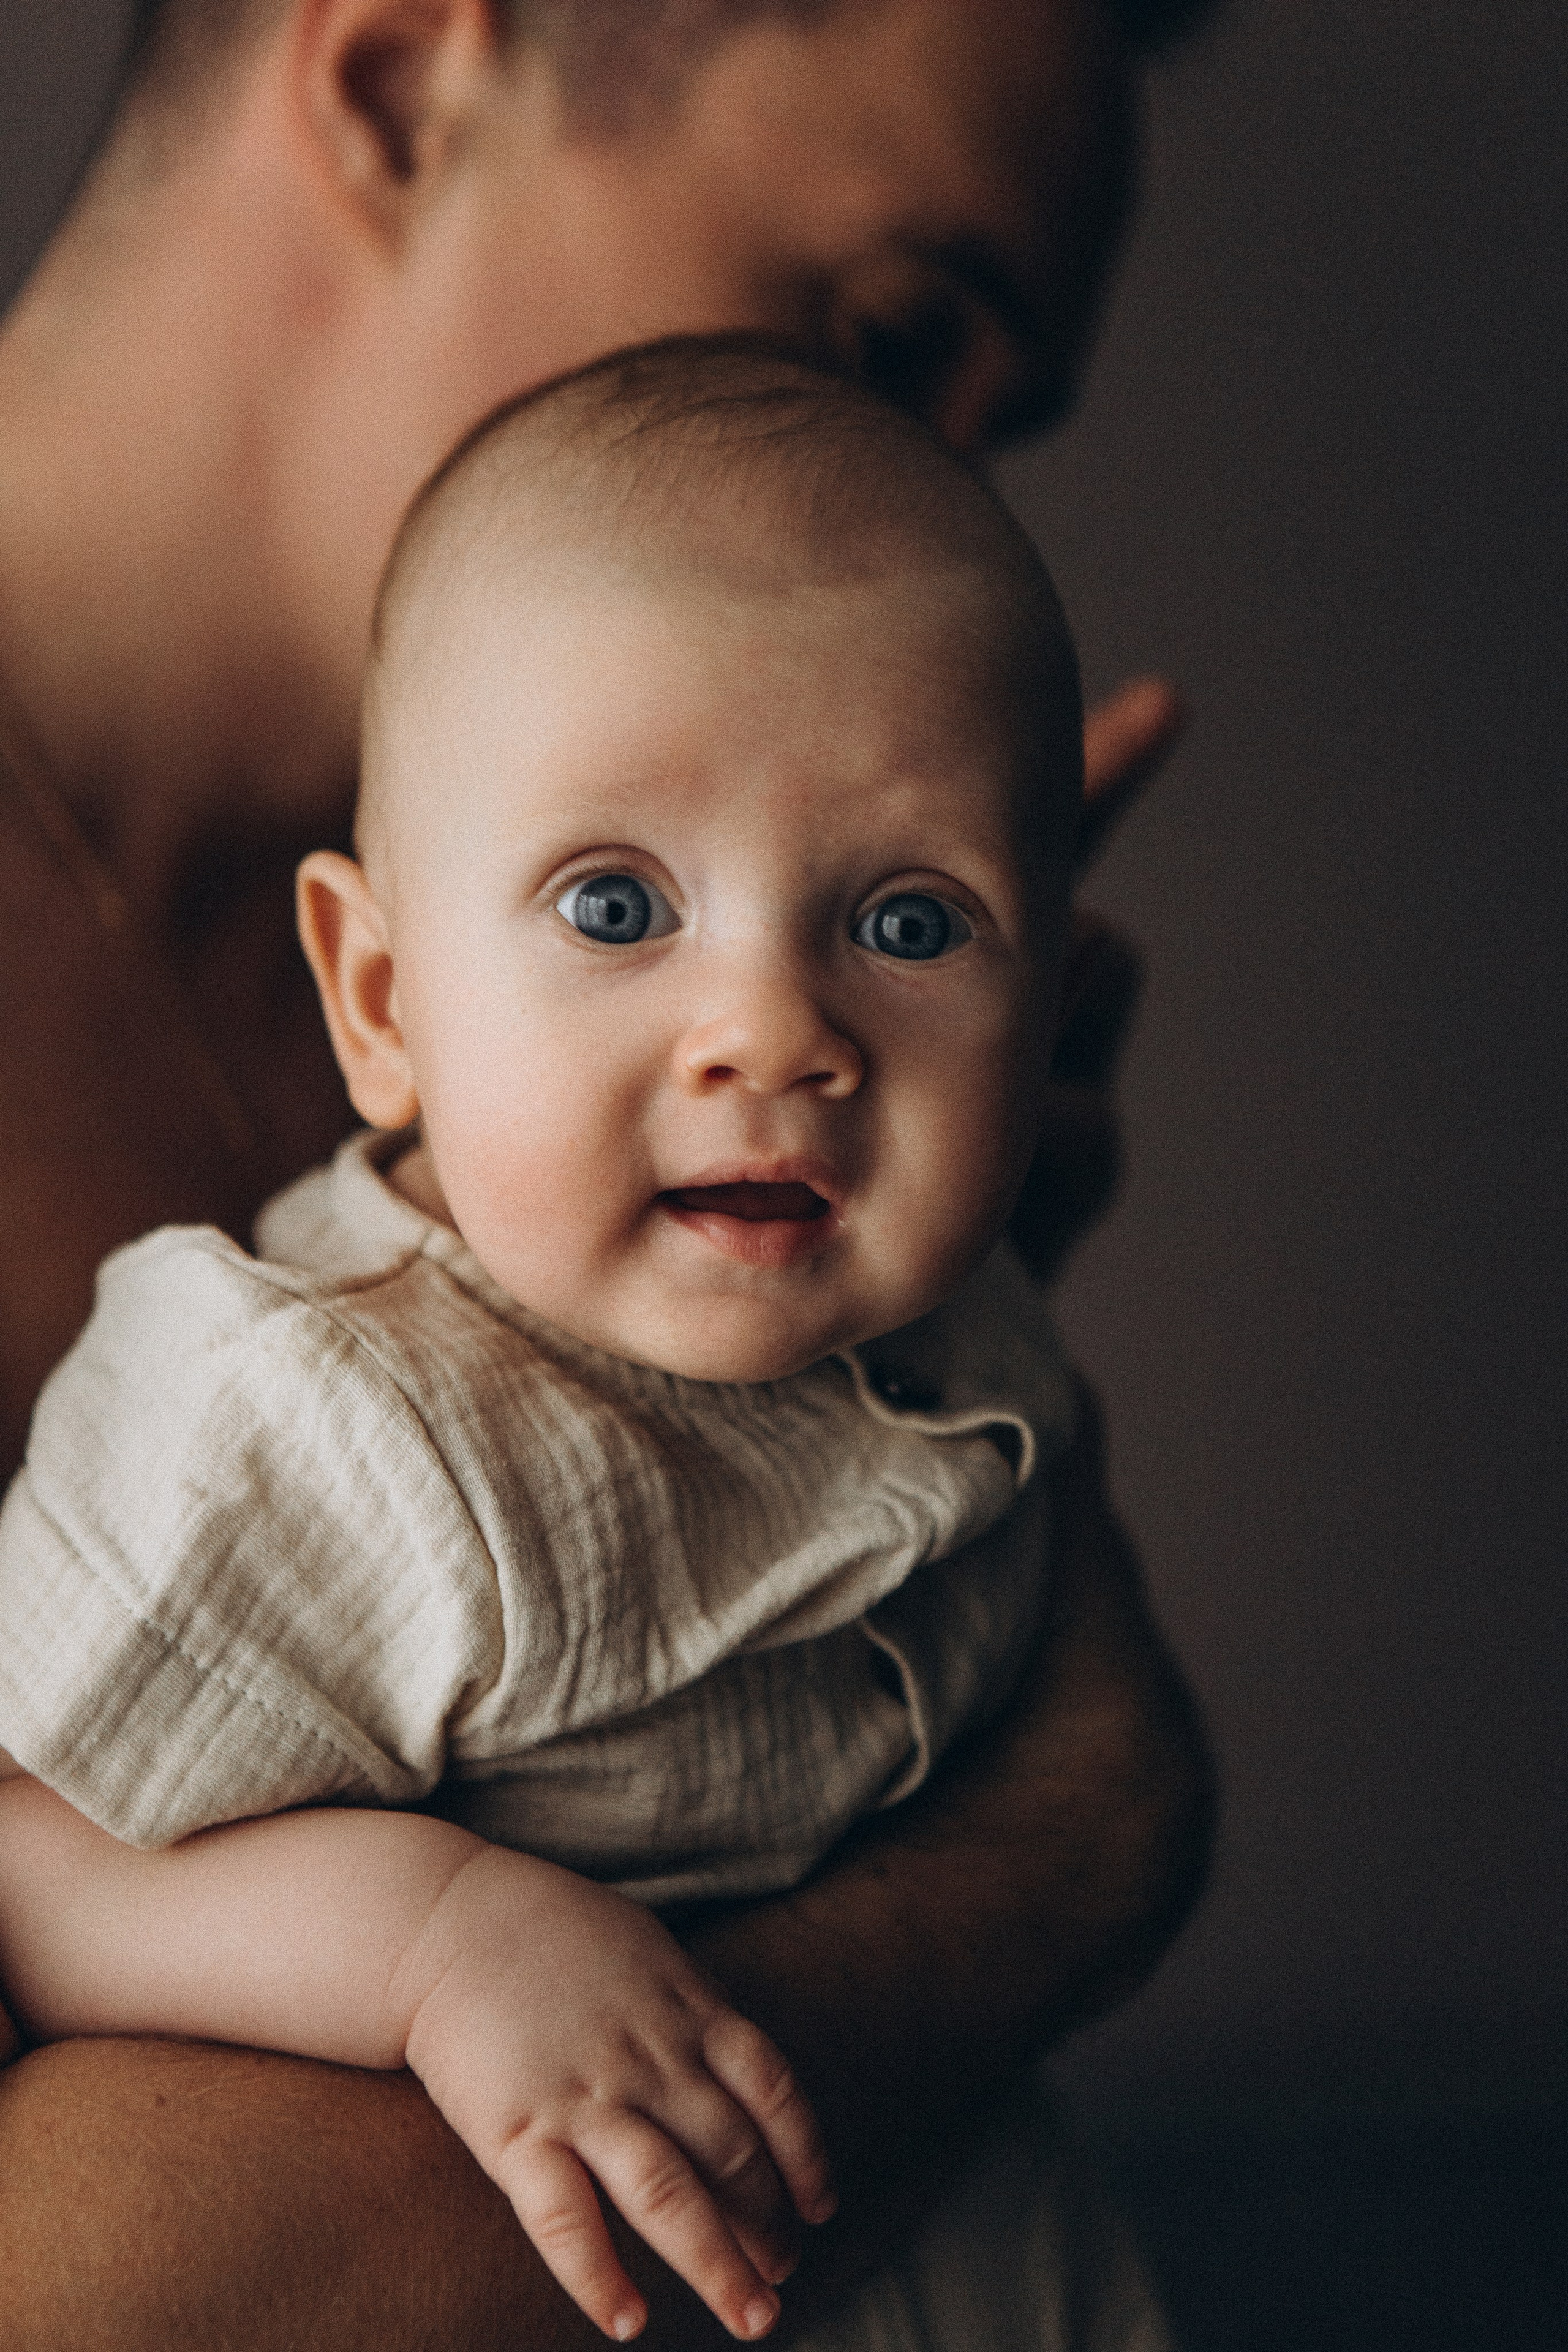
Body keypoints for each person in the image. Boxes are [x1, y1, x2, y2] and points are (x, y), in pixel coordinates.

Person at [0, 4, 1214, 2346]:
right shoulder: (278, 1373)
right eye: (881, 335)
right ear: (395, 82)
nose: (914, 492)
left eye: (912, 915)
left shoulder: (704, 1090)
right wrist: (1035, 1873)